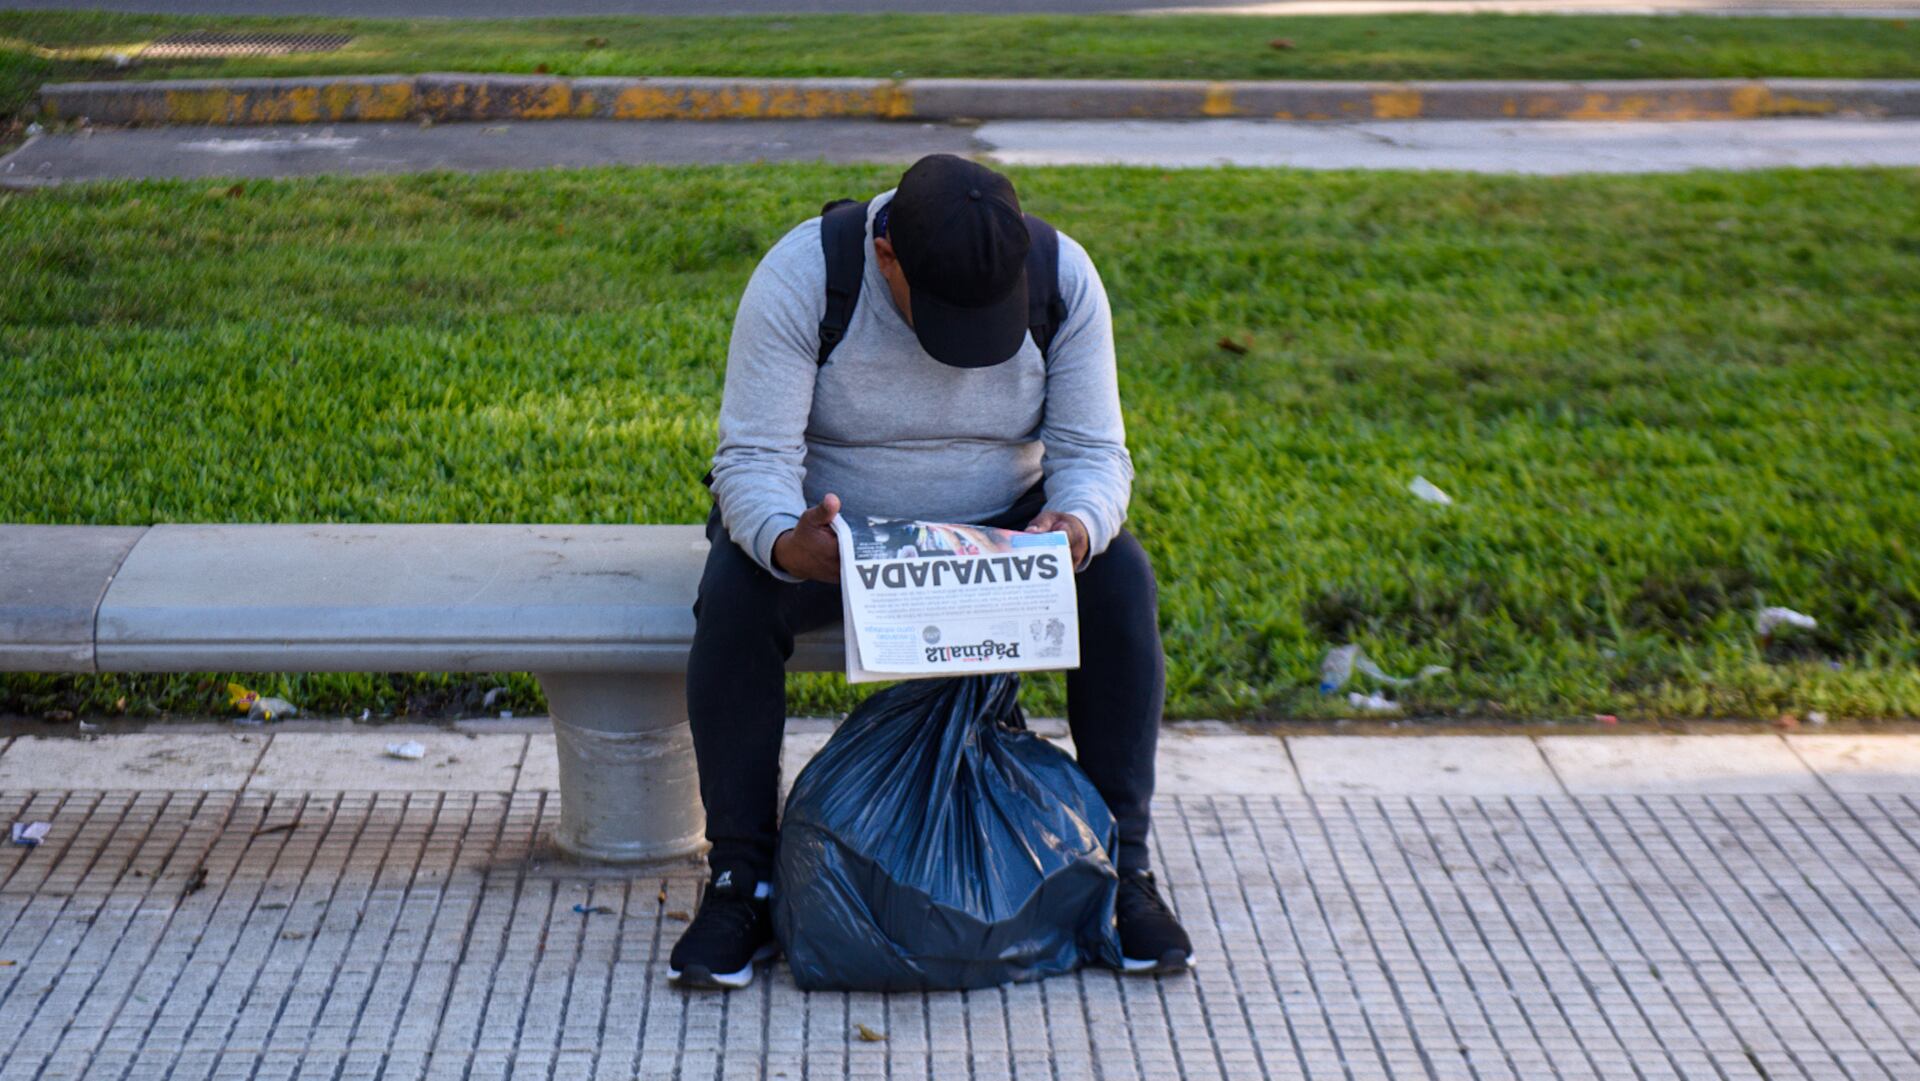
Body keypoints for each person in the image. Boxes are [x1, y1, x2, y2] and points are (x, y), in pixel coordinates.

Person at [668, 154, 1193, 990]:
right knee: (734, 593)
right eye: (946, 316)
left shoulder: (1065, 277)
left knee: (1123, 583)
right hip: (840, 535)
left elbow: (1097, 454)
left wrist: (1079, 528)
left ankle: (1122, 868)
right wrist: (781, 540)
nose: (969, 343)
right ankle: (742, 877)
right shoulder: (808, 276)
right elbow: (752, 460)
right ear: (888, 259)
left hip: (1006, 528)